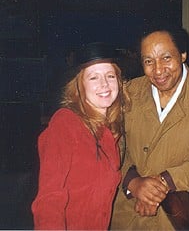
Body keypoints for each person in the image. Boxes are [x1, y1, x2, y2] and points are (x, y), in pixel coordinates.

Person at [111, 23, 189, 230]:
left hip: (175, 214)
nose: (158, 70)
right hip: (124, 211)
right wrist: (133, 182)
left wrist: (164, 181)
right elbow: (112, 146)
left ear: (183, 54)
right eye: (148, 61)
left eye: (166, 58)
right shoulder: (128, 93)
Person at [31, 42, 130, 230]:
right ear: (80, 86)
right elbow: (49, 199)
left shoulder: (111, 129)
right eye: (93, 77)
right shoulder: (65, 123)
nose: (104, 84)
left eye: (110, 76)